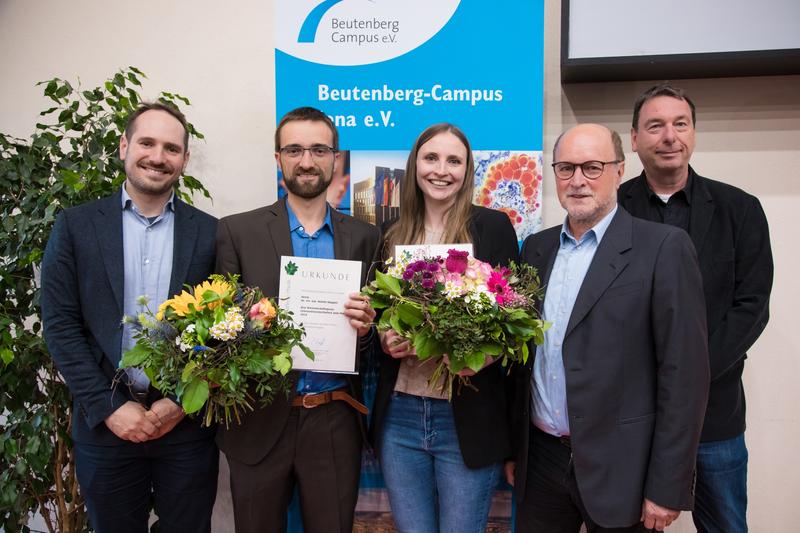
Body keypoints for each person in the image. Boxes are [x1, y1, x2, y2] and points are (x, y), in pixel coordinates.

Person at [508, 123, 710, 532]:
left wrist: (667, 486)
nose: (578, 180)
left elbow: (684, 375)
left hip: (624, 469)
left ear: (620, 170)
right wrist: (517, 450)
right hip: (542, 460)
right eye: (566, 168)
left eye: (592, 167)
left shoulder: (663, 248)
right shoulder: (536, 248)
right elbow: (524, 357)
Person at [40, 102, 219, 533]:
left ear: (184, 160)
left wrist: (179, 402)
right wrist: (108, 407)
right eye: (147, 142)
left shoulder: (211, 232)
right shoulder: (76, 226)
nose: (158, 156)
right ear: (124, 146)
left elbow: (223, 329)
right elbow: (60, 324)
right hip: (106, 426)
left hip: (185, 426)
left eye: (171, 148)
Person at [215, 106, 380, 533]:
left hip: (333, 418)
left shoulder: (365, 237)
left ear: (335, 159)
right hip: (257, 418)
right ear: (278, 158)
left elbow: (369, 342)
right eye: (294, 149)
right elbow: (220, 332)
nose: (306, 161)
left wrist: (366, 328)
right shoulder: (237, 232)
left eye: (319, 149)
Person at [619, 84, 774, 532]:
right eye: (655, 126)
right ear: (634, 139)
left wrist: (691, 372)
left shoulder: (740, 209)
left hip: (716, 413)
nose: (669, 136)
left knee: (725, 524)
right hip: (633, 413)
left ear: (693, 133)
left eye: (679, 124)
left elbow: (752, 306)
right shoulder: (614, 210)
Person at [370, 123, 519, 533]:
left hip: (465, 416)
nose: (442, 170)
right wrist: (385, 338)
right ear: (414, 165)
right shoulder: (388, 233)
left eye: (454, 160)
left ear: (468, 169)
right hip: (400, 413)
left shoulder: (492, 227)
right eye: (431, 158)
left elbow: (513, 322)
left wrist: (481, 357)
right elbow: (379, 316)